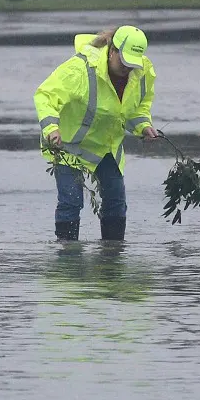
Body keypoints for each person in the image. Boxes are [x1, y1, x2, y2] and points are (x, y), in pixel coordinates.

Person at [34, 25, 158, 241]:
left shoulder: (142, 72)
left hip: (105, 147)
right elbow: (45, 96)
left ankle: (112, 258)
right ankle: (68, 257)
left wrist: (143, 126)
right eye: (124, 62)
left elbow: (137, 107)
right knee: (71, 202)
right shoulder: (80, 69)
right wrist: (52, 129)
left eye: (132, 64)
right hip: (68, 146)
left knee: (116, 201)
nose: (127, 68)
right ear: (112, 51)